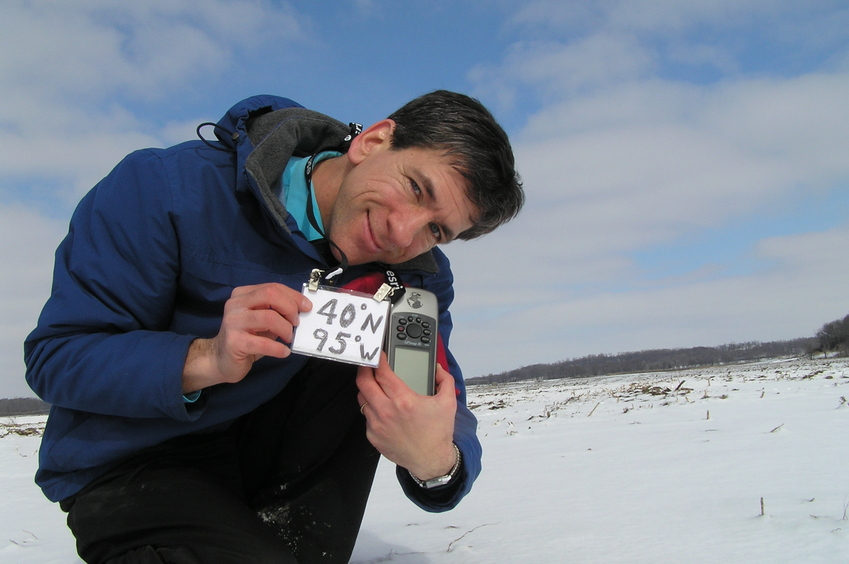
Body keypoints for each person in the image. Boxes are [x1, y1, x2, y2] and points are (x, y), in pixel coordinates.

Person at [25, 91, 523, 564]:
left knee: (388, 346)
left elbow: (439, 388)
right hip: (133, 461)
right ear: (373, 141)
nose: (402, 233)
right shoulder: (165, 188)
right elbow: (58, 355)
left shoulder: (415, 279)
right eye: (415, 188)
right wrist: (204, 357)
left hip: (270, 461)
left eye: (436, 230)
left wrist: (438, 461)